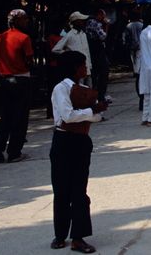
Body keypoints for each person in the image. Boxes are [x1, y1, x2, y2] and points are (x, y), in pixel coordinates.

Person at [49, 50, 107, 253]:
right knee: (61, 189)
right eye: (83, 64)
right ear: (75, 67)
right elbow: (67, 115)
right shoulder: (61, 89)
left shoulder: (84, 90)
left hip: (81, 141)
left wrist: (94, 112)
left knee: (79, 190)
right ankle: (60, 234)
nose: (86, 68)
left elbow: (97, 118)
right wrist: (92, 111)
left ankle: (78, 237)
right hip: (63, 140)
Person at [0, 8, 34, 163]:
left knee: (6, 116)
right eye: (25, 19)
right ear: (17, 21)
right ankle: (15, 151)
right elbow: (29, 60)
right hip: (21, 79)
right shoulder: (24, 38)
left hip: (5, 80)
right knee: (21, 117)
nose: (27, 21)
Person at [84, 10, 110, 108]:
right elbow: (103, 36)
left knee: (94, 75)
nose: (104, 18)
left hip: (92, 51)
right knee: (102, 73)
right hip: (98, 51)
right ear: (99, 15)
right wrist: (107, 26)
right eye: (103, 16)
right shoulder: (96, 24)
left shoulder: (88, 23)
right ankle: (100, 97)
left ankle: (97, 96)